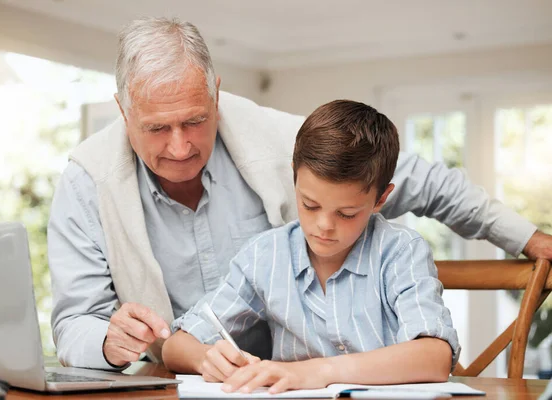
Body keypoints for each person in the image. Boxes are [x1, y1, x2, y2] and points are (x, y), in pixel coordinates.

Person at [47, 17, 551, 370]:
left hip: (289, 381)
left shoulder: (277, 139)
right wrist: (112, 343)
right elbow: (75, 324)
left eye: (196, 121)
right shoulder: (87, 182)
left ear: (216, 94)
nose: (181, 147)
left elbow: (418, 178)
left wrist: (526, 236)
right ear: (122, 109)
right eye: (158, 128)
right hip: (190, 383)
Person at [162, 99, 459, 393]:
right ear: (294, 175)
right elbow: (175, 348)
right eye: (310, 205)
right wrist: (206, 359)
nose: (324, 226)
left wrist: (319, 371)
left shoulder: (400, 252)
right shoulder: (266, 256)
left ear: (380, 199)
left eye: (346, 213)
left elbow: (435, 357)